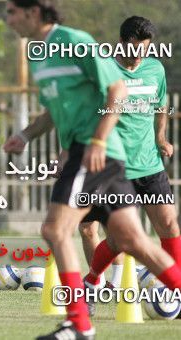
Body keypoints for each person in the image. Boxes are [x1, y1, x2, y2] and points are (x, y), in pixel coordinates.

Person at [4, 1, 181, 339]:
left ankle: (79, 324)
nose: (7, 18)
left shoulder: (75, 42)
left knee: (56, 231)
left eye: (12, 11)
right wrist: (25, 135)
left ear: (33, 12)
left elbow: (116, 90)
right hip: (94, 153)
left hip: (93, 152)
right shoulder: (39, 55)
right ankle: (82, 317)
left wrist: (97, 142)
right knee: (132, 240)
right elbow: (57, 111)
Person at [80, 16, 181, 306]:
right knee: (121, 240)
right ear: (122, 42)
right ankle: (92, 278)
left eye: (145, 50)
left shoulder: (155, 69)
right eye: (135, 49)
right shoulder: (104, 70)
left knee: (170, 226)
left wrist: (160, 138)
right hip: (114, 170)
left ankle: (175, 290)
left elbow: (162, 105)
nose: (140, 56)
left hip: (150, 165)